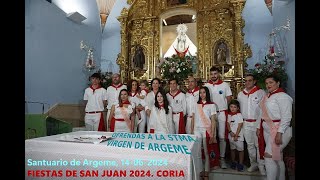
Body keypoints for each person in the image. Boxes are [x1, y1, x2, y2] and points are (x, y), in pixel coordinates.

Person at [256, 75, 293, 180]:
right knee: (278, 157)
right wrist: (258, 127)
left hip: (280, 130)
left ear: (278, 83)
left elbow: (287, 117)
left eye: (271, 82)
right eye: (267, 83)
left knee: (269, 156)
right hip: (268, 130)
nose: (268, 85)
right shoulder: (267, 96)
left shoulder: (283, 97)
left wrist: (279, 133)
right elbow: (261, 112)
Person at [237, 74, 266, 174]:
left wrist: (259, 125)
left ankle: (261, 164)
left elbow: (263, 109)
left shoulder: (261, 93)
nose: (247, 82)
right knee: (249, 145)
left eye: (250, 80)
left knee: (258, 145)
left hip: (257, 123)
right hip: (245, 123)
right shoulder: (240, 94)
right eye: (246, 81)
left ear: (254, 81)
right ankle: (253, 164)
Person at [204, 66, 232, 169]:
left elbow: (229, 98)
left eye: (215, 74)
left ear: (219, 74)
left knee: (221, 136)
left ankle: (222, 158)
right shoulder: (206, 85)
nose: (213, 76)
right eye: (211, 74)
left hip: (221, 113)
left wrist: (222, 107)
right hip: (210, 115)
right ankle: (212, 159)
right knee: (212, 136)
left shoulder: (225, 85)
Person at [192, 86, 219, 180]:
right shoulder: (196, 104)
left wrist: (213, 134)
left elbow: (213, 120)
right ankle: (200, 171)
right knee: (198, 152)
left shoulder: (212, 105)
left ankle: (206, 171)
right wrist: (192, 131)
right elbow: (193, 118)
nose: (202, 94)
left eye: (204, 92)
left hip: (206, 130)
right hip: (197, 129)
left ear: (207, 93)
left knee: (207, 152)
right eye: (200, 93)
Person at [227, 99, 245, 172]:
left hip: (238, 136)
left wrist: (236, 135)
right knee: (232, 149)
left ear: (238, 108)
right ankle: (233, 161)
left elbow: (240, 125)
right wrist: (230, 132)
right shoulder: (229, 115)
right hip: (231, 135)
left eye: (234, 107)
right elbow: (228, 123)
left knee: (240, 150)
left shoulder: (239, 115)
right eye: (231, 107)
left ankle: (240, 163)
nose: (233, 108)